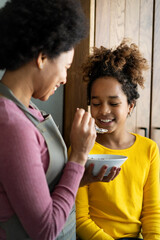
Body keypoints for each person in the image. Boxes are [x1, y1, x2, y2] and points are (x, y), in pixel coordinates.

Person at [0, 0, 98, 239]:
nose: (65, 78)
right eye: (66, 67)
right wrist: (78, 156)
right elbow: (45, 230)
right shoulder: (11, 125)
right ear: (42, 57)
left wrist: (78, 178)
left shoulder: (26, 110)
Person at [76, 40, 160, 240]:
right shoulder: (81, 148)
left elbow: (153, 214)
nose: (103, 110)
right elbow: (80, 219)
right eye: (96, 103)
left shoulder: (149, 149)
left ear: (130, 106)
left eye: (113, 103)